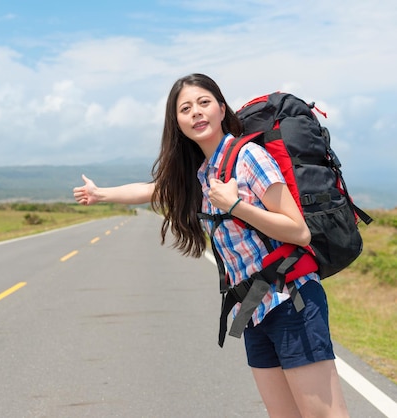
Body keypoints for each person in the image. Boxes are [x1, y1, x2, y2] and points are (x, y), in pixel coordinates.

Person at [73, 73, 349, 417]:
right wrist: (101, 195)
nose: (196, 113)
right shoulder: (204, 173)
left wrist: (236, 206)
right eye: (185, 108)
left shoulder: (249, 157)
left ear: (221, 109)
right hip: (253, 310)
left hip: (290, 300)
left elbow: (298, 231)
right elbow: (153, 189)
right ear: (176, 122)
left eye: (204, 103)